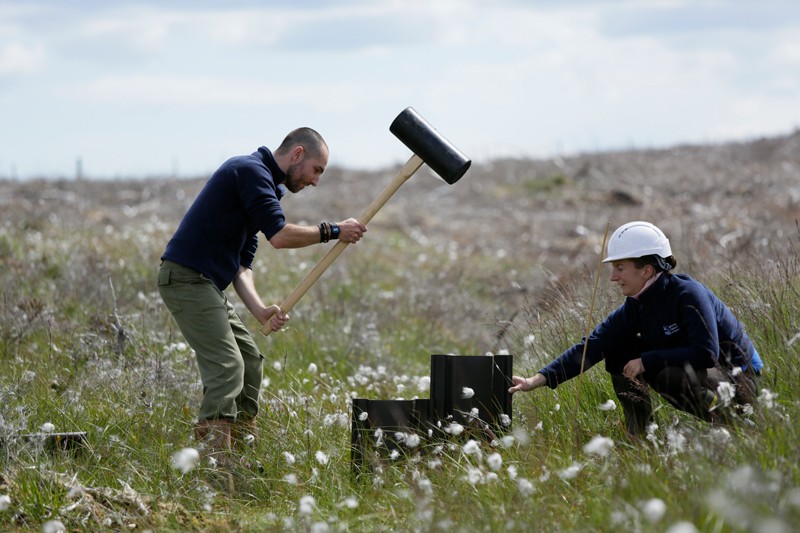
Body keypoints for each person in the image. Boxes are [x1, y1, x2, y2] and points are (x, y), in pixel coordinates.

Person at [157, 128, 367, 459]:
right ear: (297, 154)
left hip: (207, 284)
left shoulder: (265, 185)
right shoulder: (250, 171)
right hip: (185, 279)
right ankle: (214, 465)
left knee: (251, 362)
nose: (315, 182)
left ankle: (240, 455)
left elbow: (241, 263)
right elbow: (280, 237)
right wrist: (334, 230)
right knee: (228, 366)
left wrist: (257, 309)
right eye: (317, 170)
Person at [508, 221, 763, 436]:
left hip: (740, 382)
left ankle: (739, 427)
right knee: (617, 349)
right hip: (707, 375)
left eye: (620, 268)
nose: (613, 277)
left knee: (667, 375)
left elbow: (706, 353)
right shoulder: (636, 305)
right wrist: (536, 380)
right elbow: (594, 345)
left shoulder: (689, 295)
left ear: (647, 270)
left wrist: (647, 360)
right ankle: (641, 437)